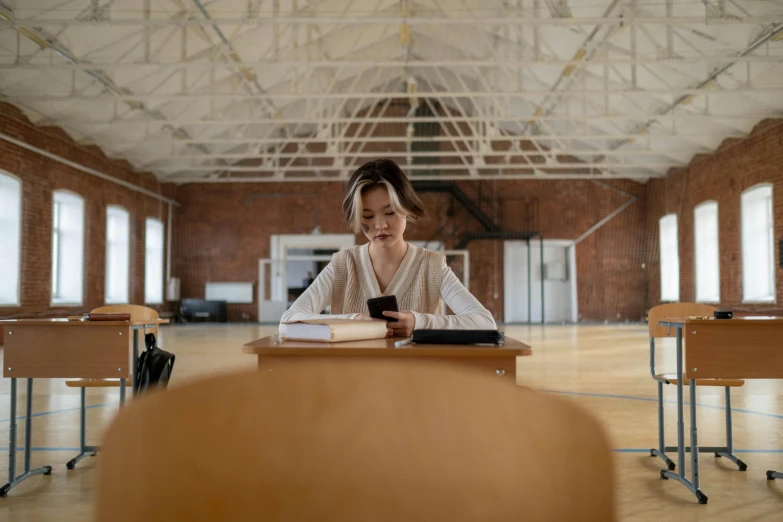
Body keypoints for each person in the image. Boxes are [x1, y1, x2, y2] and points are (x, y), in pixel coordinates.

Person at [280, 159, 497, 337]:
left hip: (416, 379)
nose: (380, 225)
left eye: (390, 212)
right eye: (367, 216)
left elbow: (485, 322)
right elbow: (289, 319)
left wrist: (419, 321)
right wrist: (353, 320)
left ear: (406, 209)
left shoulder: (432, 266)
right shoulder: (343, 265)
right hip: (353, 379)